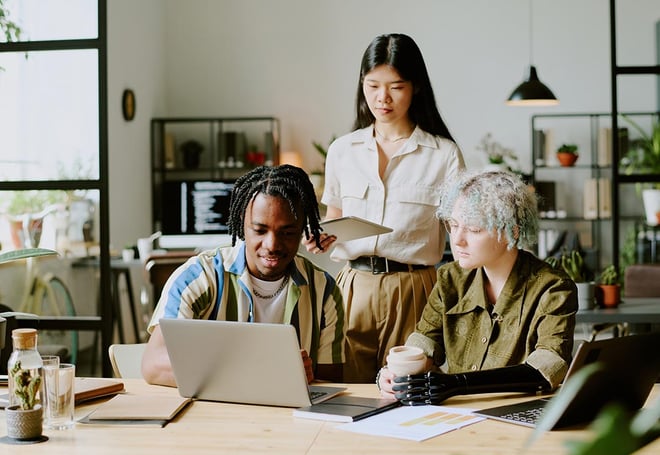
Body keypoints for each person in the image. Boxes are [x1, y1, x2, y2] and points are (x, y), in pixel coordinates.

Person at [303, 33, 465, 383]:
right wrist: (320, 237)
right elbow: (333, 218)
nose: (382, 98)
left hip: (415, 288)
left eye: (396, 86)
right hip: (352, 287)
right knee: (345, 387)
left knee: (408, 390)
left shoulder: (443, 154)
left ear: (416, 87)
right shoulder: (342, 151)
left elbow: (463, 231)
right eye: (372, 85)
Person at [377, 170, 577, 404]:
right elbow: (425, 342)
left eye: (474, 230)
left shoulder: (553, 288)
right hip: (456, 415)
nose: (458, 240)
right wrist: (391, 375)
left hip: (516, 415)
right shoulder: (449, 278)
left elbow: (547, 367)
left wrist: (456, 384)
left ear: (511, 232)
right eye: (453, 225)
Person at [142, 164, 346, 387]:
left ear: (303, 227)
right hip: (213, 416)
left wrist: (309, 376)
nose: (272, 245)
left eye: (287, 233)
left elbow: (330, 382)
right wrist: (260, 373)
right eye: (259, 230)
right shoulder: (198, 278)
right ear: (242, 222)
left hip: (289, 417)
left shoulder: (325, 291)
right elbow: (153, 365)